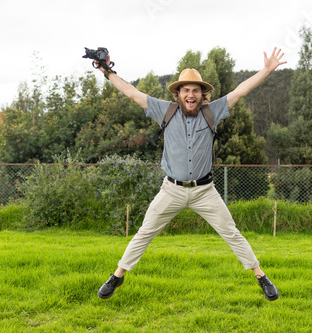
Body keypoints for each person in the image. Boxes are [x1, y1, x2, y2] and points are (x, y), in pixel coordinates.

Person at [97, 48, 286, 301]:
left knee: (231, 232)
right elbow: (131, 92)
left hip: (204, 191)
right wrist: (107, 72)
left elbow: (241, 91)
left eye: (195, 90)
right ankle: (118, 275)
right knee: (145, 232)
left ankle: (261, 276)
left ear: (202, 94)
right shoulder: (163, 110)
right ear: (178, 94)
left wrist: (266, 70)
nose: (190, 94)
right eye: (185, 90)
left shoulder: (213, 112)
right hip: (171, 190)